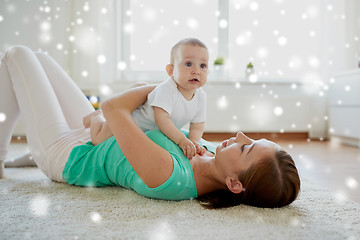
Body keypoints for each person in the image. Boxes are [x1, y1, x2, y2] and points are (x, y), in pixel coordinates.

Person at [0, 45, 300, 209]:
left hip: (69, 155)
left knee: (17, 55)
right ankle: (18, 156)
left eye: (246, 147)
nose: (239, 135)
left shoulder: (171, 177)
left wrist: (177, 82)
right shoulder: (207, 152)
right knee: (39, 56)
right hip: (97, 136)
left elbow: (112, 107)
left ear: (235, 184)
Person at [88, 38, 208, 160]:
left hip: (147, 134)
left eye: (203, 66)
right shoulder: (167, 89)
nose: (196, 71)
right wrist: (182, 140)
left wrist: (194, 142)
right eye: (188, 64)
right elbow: (162, 120)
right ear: (171, 70)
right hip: (128, 119)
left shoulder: (201, 97)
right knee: (98, 140)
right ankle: (97, 117)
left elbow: (197, 125)